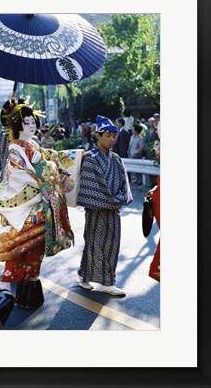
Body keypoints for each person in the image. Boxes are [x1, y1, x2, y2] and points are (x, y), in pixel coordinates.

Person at [0, 102, 84, 328]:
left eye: (33, 121)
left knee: (36, 245)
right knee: (22, 243)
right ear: (17, 125)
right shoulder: (16, 149)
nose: (32, 124)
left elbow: (52, 159)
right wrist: (49, 170)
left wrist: (62, 162)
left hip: (41, 203)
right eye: (26, 122)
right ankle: (5, 284)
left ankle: (30, 288)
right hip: (28, 204)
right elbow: (22, 176)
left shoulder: (32, 145)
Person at [76, 115, 132, 296]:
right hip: (96, 210)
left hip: (113, 210)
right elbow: (94, 186)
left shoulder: (116, 159)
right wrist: (113, 200)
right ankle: (103, 281)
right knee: (94, 243)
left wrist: (119, 199)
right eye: (107, 135)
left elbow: (125, 183)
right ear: (97, 136)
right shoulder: (90, 158)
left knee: (112, 243)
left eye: (113, 136)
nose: (112, 139)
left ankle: (87, 276)